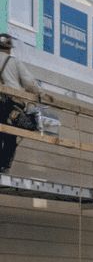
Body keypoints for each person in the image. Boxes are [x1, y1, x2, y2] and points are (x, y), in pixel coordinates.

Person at [0, 33, 42, 174]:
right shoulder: (13, 62)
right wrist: (41, 93)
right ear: (9, 49)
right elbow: (29, 83)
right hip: (9, 103)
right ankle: (4, 166)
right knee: (10, 135)